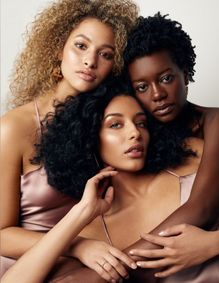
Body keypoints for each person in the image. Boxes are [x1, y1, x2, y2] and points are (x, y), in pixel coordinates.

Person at [1, 78, 219, 283]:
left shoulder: (193, 156)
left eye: (141, 123)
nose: (135, 133)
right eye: (115, 124)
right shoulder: (91, 233)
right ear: (89, 138)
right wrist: (80, 213)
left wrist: (218, 242)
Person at [0, 0, 139, 279]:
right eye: (81, 46)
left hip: (89, 261)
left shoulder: (110, 120)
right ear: (58, 48)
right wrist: (79, 247)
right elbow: (1, 234)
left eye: (106, 54)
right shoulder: (14, 127)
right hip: (23, 264)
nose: (90, 61)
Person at [120, 12, 219, 279]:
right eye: (142, 86)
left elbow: (203, 208)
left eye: (166, 78)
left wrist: (111, 271)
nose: (157, 94)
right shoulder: (138, 138)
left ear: (186, 72)